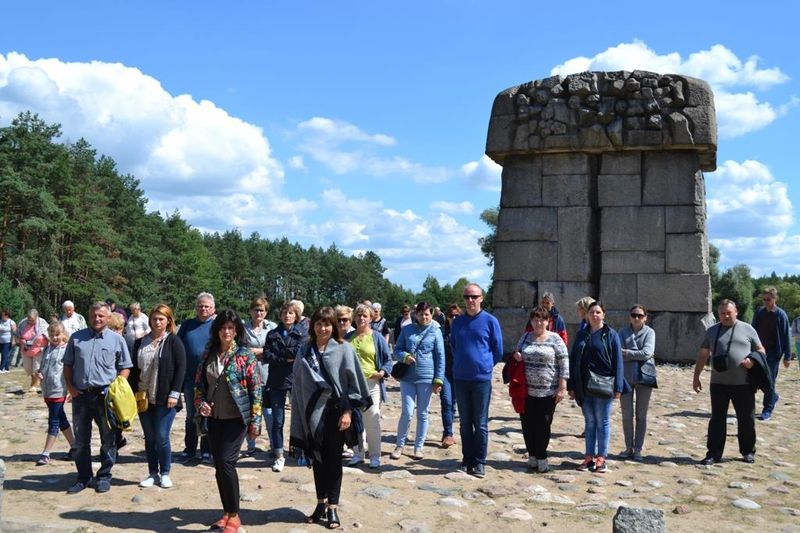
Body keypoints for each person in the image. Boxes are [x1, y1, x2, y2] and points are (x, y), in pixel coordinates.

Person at [290, 306, 371, 530]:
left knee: (334, 461)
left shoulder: (343, 349)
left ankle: (333, 508)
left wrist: (347, 412)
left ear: (333, 326)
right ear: (312, 326)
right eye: (318, 324)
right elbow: (298, 382)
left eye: (327, 324)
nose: (323, 328)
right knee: (317, 459)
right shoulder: (304, 350)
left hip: (336, 413)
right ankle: (320, 504)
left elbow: (354, 383)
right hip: (312, 413)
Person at [195, 309, 262, 533]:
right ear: (217, 331)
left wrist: (255, 422)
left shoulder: (245, 355)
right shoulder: (208, 354)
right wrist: (200, 404)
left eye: (231, 328)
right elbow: (199, 386)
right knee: (219, 467)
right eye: (223, 328)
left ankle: (234, 515)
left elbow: (256, 390)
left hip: (237, 418)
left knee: (226, 462)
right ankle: (226, 512)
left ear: (236, 331)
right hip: (214, 418)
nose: (226, 332)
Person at [63, 301, 132, 494]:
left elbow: (125, 366)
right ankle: (83, 477)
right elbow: (67, 365)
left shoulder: (117, 340)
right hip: (81, 396)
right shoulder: (76, 338)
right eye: (94, 315)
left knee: (108, 440)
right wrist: (70, 387)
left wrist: (117, 387)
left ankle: (104, 476)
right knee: (81, 440)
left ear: (108, 318)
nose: (97, 319)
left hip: (105, 397)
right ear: (89, 316)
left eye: (101, 316)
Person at [694, 299, 766, 465]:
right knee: (717, 420)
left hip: (744, 383)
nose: (726, 316)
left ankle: (748, 451)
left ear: (736, 312)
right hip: (718, 384)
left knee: (746, 419)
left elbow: (761, 349)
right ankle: (713, 453)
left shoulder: (748, 329)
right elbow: (703, 354)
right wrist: (696, 376)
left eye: (728, 313)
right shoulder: (712, 331)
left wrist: (752, 360)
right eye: (722, 313)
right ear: (718, 314)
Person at [129, 304, 186, 489]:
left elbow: (181, 369)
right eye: (155, 318)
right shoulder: (140, 342)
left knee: (162, 436)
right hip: (143, 396)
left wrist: (175, 393)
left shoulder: (174, 341)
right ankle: (152, 473)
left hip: (165, 396)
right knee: (150, 437)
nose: (158, 322)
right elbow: (134, 369)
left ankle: (166, 472)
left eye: (162, 318)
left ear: (168, 320)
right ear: (150, 320)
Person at [450, 283, 503, 478]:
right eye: (467, 297)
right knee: (465, 423)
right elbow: (454, 345)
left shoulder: (490, 321)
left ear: (481, 298)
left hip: (481, 379)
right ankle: (467, 459)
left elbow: (497, 350)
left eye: (474, 296)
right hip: (461, 378)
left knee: (480, 423)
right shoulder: (457, 322)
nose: (470, 300)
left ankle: (480, 461)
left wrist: (485, 365)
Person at [568, 300, 627, 474]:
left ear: (603, 314)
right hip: (584, 385)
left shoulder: (611, 334)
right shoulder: (581, 334)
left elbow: (618, 361)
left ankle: (601, 458)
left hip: (603, 384)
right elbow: (573, 360)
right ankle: (589, 457)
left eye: (598, 312)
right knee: (590, 421)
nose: (594, 315)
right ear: (587, 315)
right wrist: (571, 385)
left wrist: (618, 386)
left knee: (602, 421)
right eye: (592, 312)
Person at [511, 306, 569, 473]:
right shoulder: (525, 338)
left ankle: (542, 456)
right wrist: (517, 357)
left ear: (548, 321)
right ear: (531, 321)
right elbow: (517, 356)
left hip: (548, 391)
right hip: (526, 391)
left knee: (543, 425)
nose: (539, 322)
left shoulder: (556, 339)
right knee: (527, 424)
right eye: (535, 319)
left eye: (542, 319)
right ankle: (532, 456)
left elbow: (564, 362)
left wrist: (562, 386)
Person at [390, 301, 444, 460]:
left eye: (427, 314)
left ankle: (418, 447)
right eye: (421, 314)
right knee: (407, 412)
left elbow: (440, 356)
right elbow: (397, 349)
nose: (424, 317)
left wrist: (438, 379)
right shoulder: (407, 330)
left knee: (422, 413)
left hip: (426, 377)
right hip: (407, 377)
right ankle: (399, 445)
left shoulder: (436, 331)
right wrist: (404, 357)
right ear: (416, 314)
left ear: (431, 314)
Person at [346, 303, 393, 468]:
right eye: (358, 315)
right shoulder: (348, 338)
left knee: (372, 419)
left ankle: (374, 456)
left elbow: (387, 359)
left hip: (371, 384)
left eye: (365, 315)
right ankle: (358, 453)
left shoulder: (377, 337)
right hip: (352, 385)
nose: (361, 318)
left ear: (371, 318)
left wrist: (382, 372)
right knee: (355, 421)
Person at [263, 301, 308, 472]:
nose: (287, 316)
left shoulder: (302, 333)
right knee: (277, 420)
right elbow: (268, 355)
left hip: (296, 379)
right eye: (284, 313)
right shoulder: (272, 334)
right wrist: (285, 359)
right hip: (276, 381)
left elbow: (299, 353)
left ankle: (301, 451)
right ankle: (279, 455)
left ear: (296, 315)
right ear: (280, 315)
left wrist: (281, 355)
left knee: (300, 418)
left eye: (291, 313)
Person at [176, 292, 216, 464]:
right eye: (200, 305)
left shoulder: (216, 326)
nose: (203, 309)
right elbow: (178, 346)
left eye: (207, 306)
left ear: (213, 308)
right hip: (190, 377)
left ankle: (207, 450)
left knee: (208, 414)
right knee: (192, 415)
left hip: (211, 378)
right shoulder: (187, 325)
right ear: (196, 307)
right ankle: (190, 449)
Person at [618, 304, 656, 461]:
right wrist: (636, 354)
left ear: (645, 317)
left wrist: (627, 352)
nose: (637, 318)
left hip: (645, 375)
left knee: (641, 414)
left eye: (640, 315)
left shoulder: (650, 332)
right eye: (634, 315)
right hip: (625, 377)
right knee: (627, 414)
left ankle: (638, 448)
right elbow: (618, 353)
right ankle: (628, 447)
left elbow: (648, 353)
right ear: (629, 316)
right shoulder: (622, 332)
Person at [35, 321, 75, 465]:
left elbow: (71, 371)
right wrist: (39, 373)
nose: (55, 338)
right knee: (61, 419)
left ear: (63, 334)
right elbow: (43, 366)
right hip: (47, 390)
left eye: (57, 334)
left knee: (54, 421)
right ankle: (75, 447)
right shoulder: (48, 349)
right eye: (52, 335)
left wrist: (71, 389)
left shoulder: (67, 350)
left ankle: (46, 453)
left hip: (59, 391)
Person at [243, 297, 277, 456]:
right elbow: (239, 349)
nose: (259, 313)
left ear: (266, 312)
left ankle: (274, 445)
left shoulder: (273, 328)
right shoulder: (243, 329)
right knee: (251, 412)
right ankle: (250, 445)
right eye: (256, 310)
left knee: (269, 414)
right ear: (251, 311)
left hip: (269, 375)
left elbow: (278, 349)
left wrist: (261, 352)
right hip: (249, 376)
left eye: (262, 310)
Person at [751, 286, 792, 420]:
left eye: (768, 299)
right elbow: (752, 331)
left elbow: (786, 336)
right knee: (756, 379)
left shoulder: (781, 315)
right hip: (759, 352)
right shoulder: (760, 312)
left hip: (774, 354)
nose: (766, 302)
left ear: (775, 299)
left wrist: (787, 356)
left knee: (769, 381)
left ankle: (767, 410)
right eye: (764, 299)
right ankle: (773, 397)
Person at [440, 303, 460, 448]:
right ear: (447, 317)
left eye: (456, 315)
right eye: (451, 316)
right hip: (445, 373)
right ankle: (448, 433)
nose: (453, 318)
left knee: (453, 405)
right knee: (447, 402)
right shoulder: (441, 333)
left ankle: (447, 430)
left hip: (460, 373)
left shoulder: (465, 331)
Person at [16, 308, 50, 391]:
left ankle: (34, 386)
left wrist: (45, 346)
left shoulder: (43, 323)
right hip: (26, 349)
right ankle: (34, 381)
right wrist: (21, 340)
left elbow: (49, 335)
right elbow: (17, 334)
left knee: (36, 368)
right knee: (28, 368)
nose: (30, 322)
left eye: (33, 320)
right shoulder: (23, 323)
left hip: (38, 349)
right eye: (29, 320)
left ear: (37, 317)